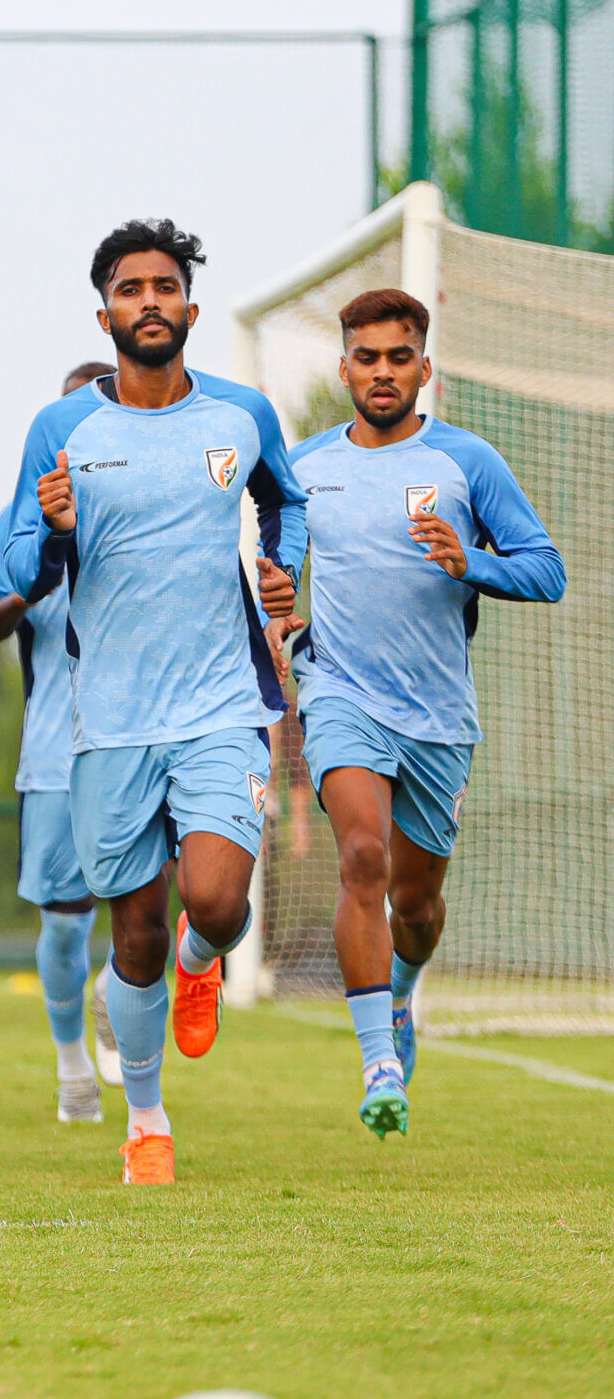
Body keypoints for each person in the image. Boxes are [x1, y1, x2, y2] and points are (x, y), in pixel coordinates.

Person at [0, 219, 306, 1186]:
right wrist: (50, 534)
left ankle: (204, 954)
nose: (150, 303)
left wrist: (282, 572)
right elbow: (13, 566)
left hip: (222, 706)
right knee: (128, 934)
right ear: (106, 312)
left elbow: (288, 504)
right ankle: (146, 1117)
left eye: (164, 287)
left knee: (213, 900)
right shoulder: (63, 431)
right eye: (130, 290)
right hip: (111, 724)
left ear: (190, 308)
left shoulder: (243, 414)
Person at [278, 287, 564, 1137]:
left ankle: (402, 997)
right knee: (361, 857)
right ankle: (377, 1065)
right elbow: (280, 574)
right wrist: (278, 603)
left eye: (399, 357)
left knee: (418, 906)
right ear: (343, 368)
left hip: (438, 713)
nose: (382, 372)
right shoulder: (303, 467)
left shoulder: (467, 463)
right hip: (339, 693)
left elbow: (545, 570)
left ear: (424, 368)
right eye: (366, 357)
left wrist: (469, 560)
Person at [0, 359, 118, 1125]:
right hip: (58, 749)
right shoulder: (22, 518)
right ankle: (71, 1069)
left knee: (148, 901)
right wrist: (38, 575)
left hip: (148, 735)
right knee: (65, 921)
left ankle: (122, 998)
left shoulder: (160, 506)